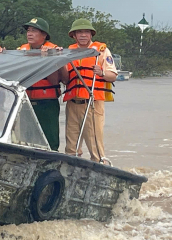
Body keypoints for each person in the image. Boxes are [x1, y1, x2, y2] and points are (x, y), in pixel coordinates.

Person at [59, 18, 118, 164]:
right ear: (74, 35)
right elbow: (65, 79)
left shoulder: (102, 50)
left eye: (86, 32)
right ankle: (71, 170)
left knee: (95, 145)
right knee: (70, 146)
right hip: (72, 104)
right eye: (79, 32)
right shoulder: (68, 52)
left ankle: (101, 166)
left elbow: (113, 76)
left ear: (91, 34)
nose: (83, 35)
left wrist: (102, 72)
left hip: (92, 103)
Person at [17, 17, 63, 150]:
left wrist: (46, 60)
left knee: (50, 140)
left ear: (44, 35)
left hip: (47, 102)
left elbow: (55, 81)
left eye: (34, 31)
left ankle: (51, 166)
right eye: (28, 30)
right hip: (26, 102)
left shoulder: (54, 51)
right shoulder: (21, 51)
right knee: (25, 140)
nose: (29, 33)